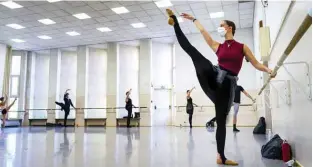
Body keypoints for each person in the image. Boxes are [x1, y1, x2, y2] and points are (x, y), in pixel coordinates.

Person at [166, 9, 276, 165]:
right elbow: (204, 31)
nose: (220, 27)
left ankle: (221, 157)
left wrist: (268, 69)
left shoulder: (242, 47)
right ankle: (174, 22)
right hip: (213, 77)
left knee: (221, 122)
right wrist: (194, 19)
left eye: (222, 25)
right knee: (194, 52)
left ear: (229, 28)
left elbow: (256, 63)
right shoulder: (217, 46)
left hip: (227, 86)